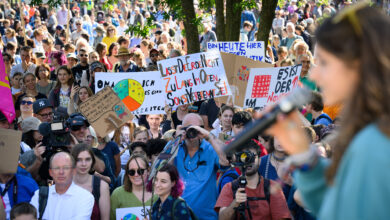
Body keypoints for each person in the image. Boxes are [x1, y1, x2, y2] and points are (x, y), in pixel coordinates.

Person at [267, 5, 390, 219]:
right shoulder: (368, 133)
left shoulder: (374, 145)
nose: (314, 75)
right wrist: (309, 163)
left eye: (323, 63)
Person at [215, 140, 291, 219]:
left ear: (259, 159)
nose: (248, 161)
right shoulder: (229, 188)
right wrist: (235, 203)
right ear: (237, 160)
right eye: (244, 157)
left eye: (252, 157)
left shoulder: (272, 187)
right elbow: (222, 218)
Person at [174, 113, 229, 220]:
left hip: (206, 216)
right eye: (188, 128)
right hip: (178, 216)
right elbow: (161, 169)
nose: (192, 132)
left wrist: (209, 137)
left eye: (196, 128)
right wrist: (175, 141)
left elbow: (227, 160)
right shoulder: (174, 147)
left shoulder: (211, 148)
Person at [30, 152, 94, 220]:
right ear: (50, 172)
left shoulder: (85, 197)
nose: (61, 172)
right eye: (57, 168)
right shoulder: (39, 194)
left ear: (74, 171)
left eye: (66, 168)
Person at [110, 154, 156, 220]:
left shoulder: (158, 194)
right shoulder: (117, 194)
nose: (136, 175)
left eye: (140, 171)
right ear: (127, 174)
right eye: (131, 172)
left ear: (148, 171)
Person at [71, 144, 110, 220]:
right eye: (79, 160)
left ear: (92, 161)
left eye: (88, 159)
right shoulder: (64, 184)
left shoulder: (101, 186)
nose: (84, 164)